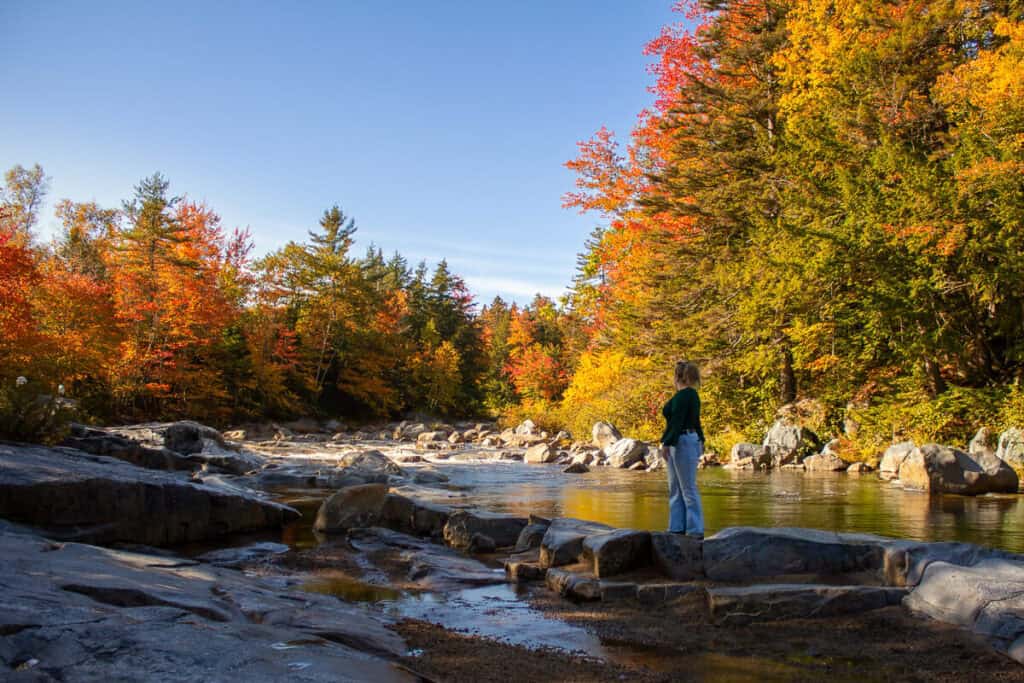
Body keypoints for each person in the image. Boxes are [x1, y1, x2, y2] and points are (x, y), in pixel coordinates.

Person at [660, 360, 705, 538]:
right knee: (677, 487)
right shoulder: (691, 395)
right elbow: (695, 420)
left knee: (686, 488)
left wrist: (667, 443)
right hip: (687, 439)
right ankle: (677, 527)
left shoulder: (683, 396)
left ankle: (694, 529)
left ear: (677, 376)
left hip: (682, 441)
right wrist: (701, 438)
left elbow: (677, 421)